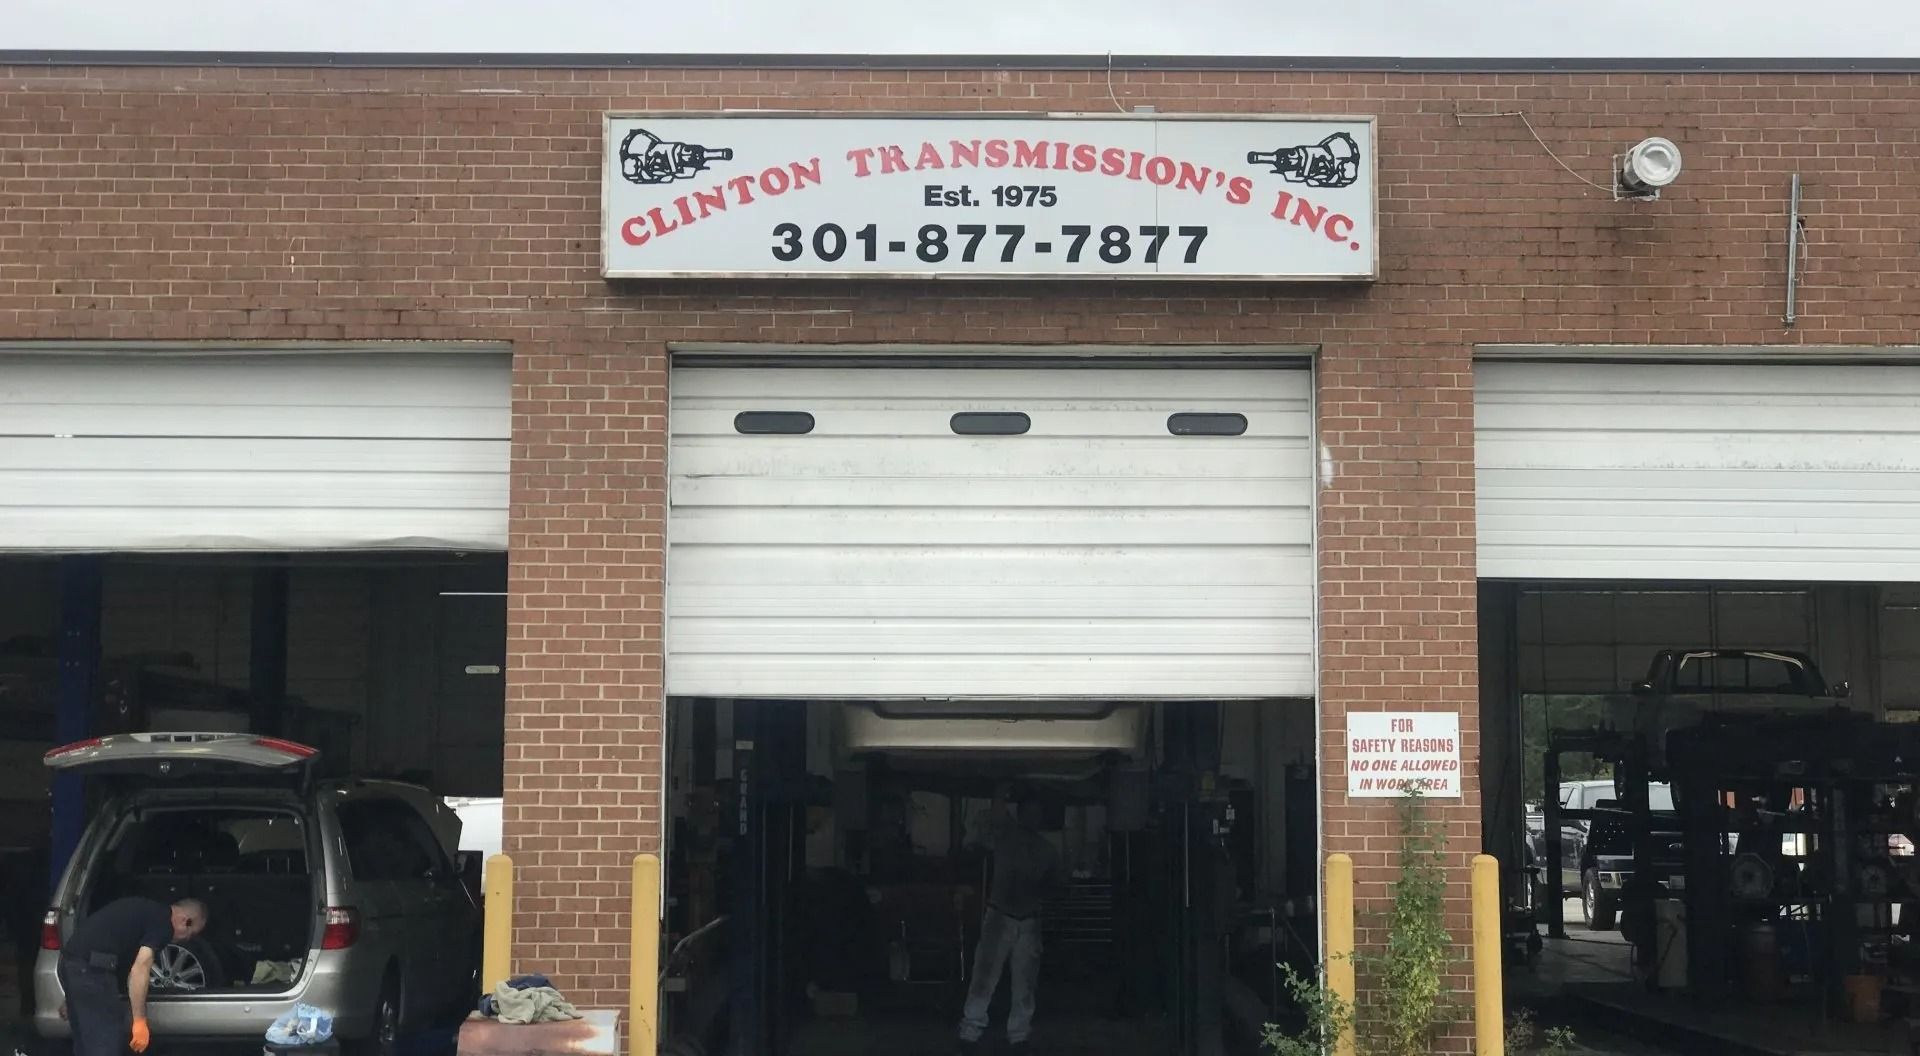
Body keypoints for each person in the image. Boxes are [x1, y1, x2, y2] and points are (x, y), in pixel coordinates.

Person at [957, 787, 1063, 1056]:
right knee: (984, 977)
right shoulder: (1005, 834)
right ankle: (970, 1030)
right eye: (1028, 812)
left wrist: (1045, 890)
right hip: (1000, 915)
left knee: (1025, 982)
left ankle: (1019, 1035)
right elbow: (996, 814)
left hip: (1028, 919)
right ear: (1020, 814)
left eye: (1037, 814)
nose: (1033, 818)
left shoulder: (1048, 850)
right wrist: (1000, 789)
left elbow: (1057, 885)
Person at [57, 896, 207, 1056]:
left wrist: (71, 997)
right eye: (190, 933)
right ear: (185, 921)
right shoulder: (163, 924)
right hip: (91, 971)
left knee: (86, 1046)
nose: (186, 939)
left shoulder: (144, 911)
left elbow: (93, 948)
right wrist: (140, 1021)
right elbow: (140, 969)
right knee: (104, 1042)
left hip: (73, 965)